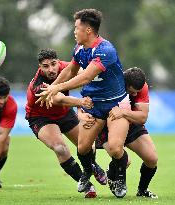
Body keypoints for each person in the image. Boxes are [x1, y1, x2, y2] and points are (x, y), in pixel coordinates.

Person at [36, 9, 130, 198]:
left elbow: (86, 77)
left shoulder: (105, 50)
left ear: (88, 30)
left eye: (76, 28)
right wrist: (52, 88)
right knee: (83, 148)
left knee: (115, 148)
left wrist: (56, 89)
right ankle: (87, 173)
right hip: (92, 105)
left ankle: (118, 176)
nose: (74, 31)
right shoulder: (79, 49)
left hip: (116, 104)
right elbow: (71, 70)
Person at [25, 48, 107, 198]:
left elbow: (86, 74)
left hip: (64, 113)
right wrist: (81, 102)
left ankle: (92, 166)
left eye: (53, 64)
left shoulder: (65, 67)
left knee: (88, 144)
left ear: (58, 62)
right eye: (45, 66)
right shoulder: (37, 85)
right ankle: (87, 185)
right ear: (40, 67)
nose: (51, 69)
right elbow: (59, 99)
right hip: (40, 117)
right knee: (60, 148)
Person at [85, 67, 158, 198]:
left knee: (152, 159)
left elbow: (142, 117)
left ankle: (142, 191)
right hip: (106, 126)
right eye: (132, 91)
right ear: (124, 83)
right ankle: (115, 175)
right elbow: (87, 99)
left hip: (131, 121)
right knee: (125, 161)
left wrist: (123, 112)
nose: (134, 95)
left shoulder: (142, 86)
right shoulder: (108, 83)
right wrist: (83, 114)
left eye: (137, 92)